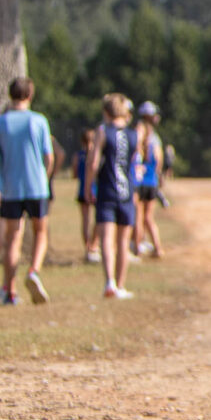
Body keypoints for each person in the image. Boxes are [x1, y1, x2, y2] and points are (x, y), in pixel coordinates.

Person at [0, 75, 55, 305]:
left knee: (13, 238)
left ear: (10, 95)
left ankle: (10, 291)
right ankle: (33, 271)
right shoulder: (39, 121)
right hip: (37, 186)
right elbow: (49, 156)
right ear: (30, 95)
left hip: (11, 188)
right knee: (40, 232)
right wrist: (45, 177)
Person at [85, 94, 138, 299]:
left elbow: (93, 162)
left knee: (107, 239)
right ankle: (121, 285)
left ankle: (109, 282)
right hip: (127, 193)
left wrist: (89, 186)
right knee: (123, 241)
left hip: (107, 191)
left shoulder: (103, 132)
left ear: (106, 112)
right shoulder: (134, 135)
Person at [132, 102, 166, 259]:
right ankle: (158, 247)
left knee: (138, 218)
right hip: (152, 182)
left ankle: (137, 248)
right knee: (149, 218)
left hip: (139, 183)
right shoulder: (155, 141)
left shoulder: (137, 139)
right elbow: (159, 162)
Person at [71, 126, 98, 261]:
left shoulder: (77, 156)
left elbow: (74, 174)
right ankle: (93, 245)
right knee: (99, 219)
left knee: (85, 220)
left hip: (82, 190)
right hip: (95, 190)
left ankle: (88, 247)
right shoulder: (96, 155)